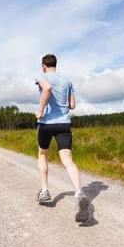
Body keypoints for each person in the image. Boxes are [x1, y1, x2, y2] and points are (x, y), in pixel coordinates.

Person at [35, 54, 90, 222]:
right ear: (55, 65)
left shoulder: (41, 76)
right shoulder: (67, 80)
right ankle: (79, 192)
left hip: (46, 123)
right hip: (64, 124)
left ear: (44, 66)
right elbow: (72, 105)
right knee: (67, 159)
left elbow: (47, 88)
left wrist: (40, 109)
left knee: (43, 154)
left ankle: (44, 190)